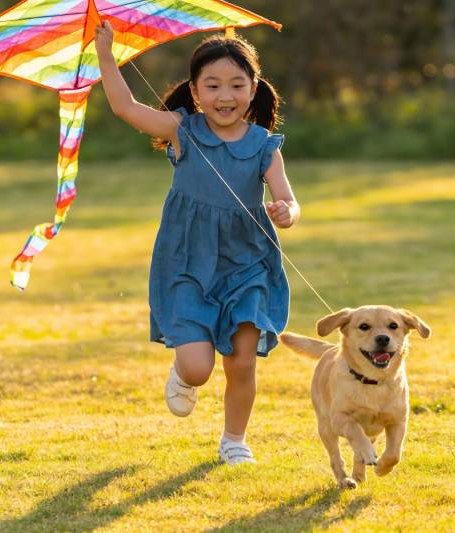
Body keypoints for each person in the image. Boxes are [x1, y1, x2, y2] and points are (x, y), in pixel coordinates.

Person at [95, 21, 300, 465]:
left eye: (235, 85)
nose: (224, 96)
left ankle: (234, 440)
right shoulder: (182, 131)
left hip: (248, 265)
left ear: (252, 89)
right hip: (189, 262)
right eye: (212, 85)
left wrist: (286, 211)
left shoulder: (265, 145)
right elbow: (125, 106)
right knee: (197, 368)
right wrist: (106, 53)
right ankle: (183, 374)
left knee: (242, 359)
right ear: (194, 90)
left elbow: (287, 198)